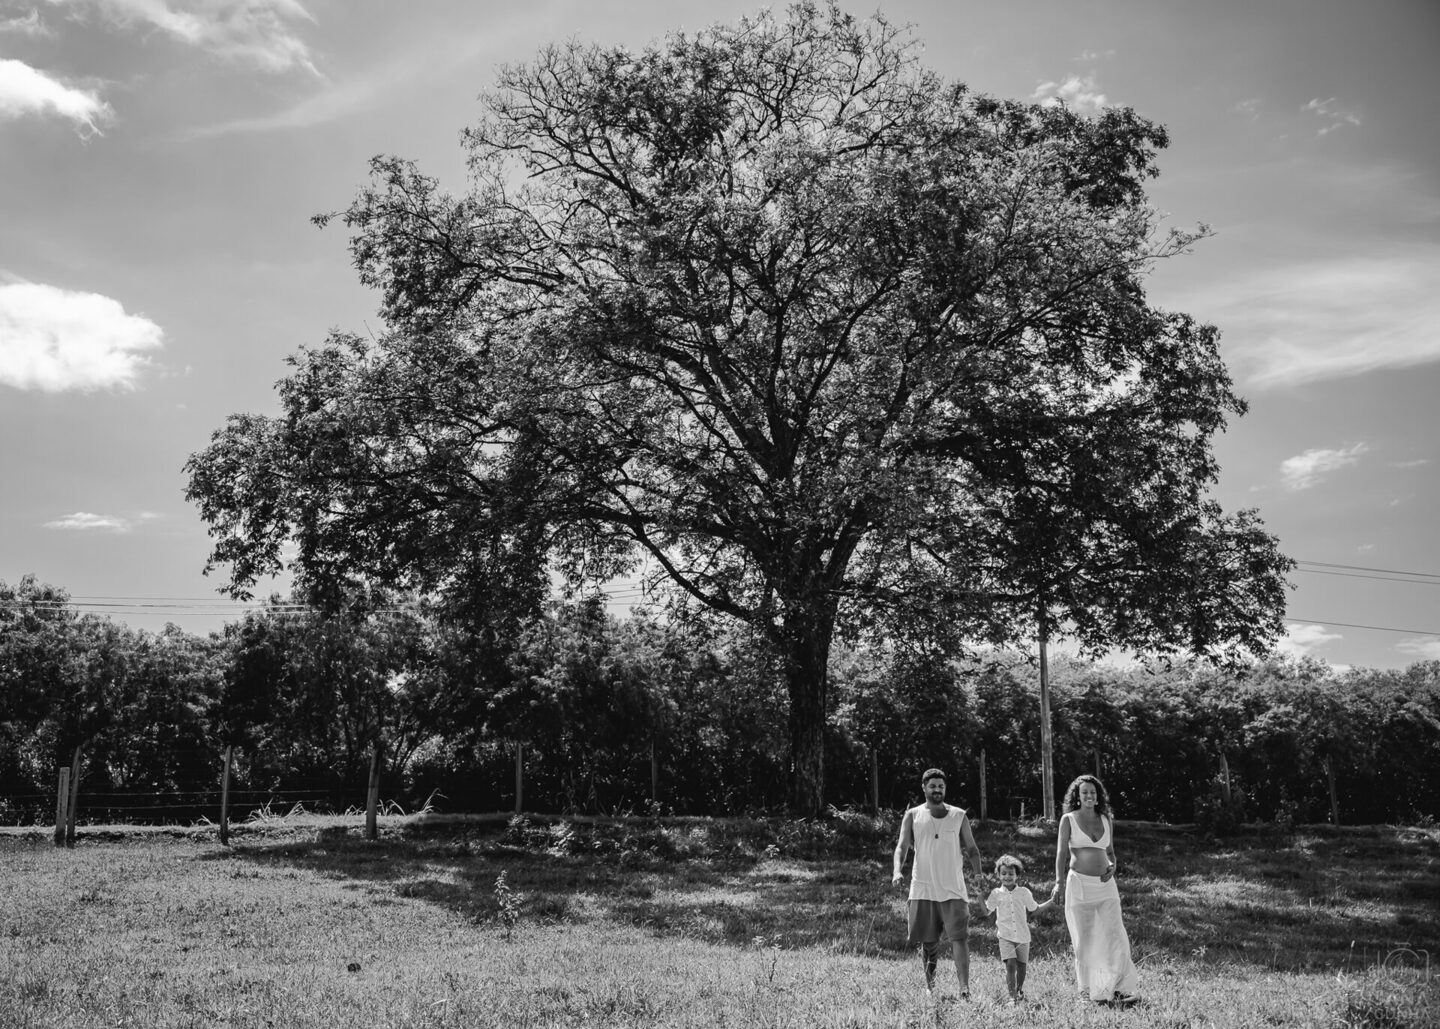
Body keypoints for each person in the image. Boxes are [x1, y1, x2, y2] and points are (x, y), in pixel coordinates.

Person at [892, 768, 983, 1000]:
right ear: (924, 788)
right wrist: (897, 871)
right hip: (923, 888)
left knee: (959, 938)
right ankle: (930, 987)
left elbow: (972, 849)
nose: (937, 790)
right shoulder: (913, 815)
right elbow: (902, 847)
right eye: (932, 786)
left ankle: (964, 988)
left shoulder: (959, 815)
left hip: (953, 889)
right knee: (929, 942)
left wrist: (978, 875)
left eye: (941, 786)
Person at [1052, 774, 1140, 1006]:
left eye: (1092, 792)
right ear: (1077, 796)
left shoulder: (1105, 819)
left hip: (1106, 886)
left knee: (1116, 935)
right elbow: (1061, 853)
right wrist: (1059, 882)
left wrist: (1114, 865)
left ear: (1098, 796)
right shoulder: (1068, 819)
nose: (1089, 796)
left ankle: (1120, 988)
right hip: (1080, 885)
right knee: (1084, 939)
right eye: (1084, 792)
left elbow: (1110, 851)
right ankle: (1086, 991)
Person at [983, 853, 1055, 1003]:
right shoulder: (996, 894)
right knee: (1010, 965)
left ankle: (1019, 990)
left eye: (1011, 873)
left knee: (1022, 966)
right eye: (1003, 873)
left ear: (1017, 875)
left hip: (1023, 936)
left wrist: (1051, 902)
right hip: (1005, 936)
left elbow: (1034, 909)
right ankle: (1012, 997)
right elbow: (986, 911)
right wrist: (978, 897)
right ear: (998, 875)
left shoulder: (1024, 892)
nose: (1007, 877)